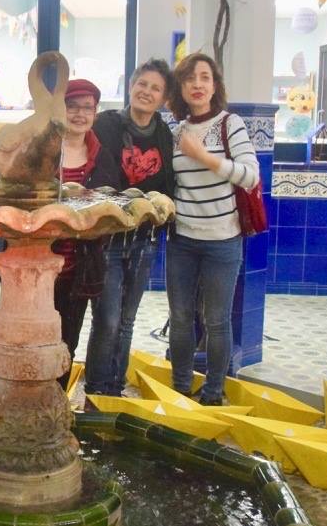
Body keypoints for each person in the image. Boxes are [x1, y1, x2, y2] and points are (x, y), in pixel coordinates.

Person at [165, 52, 259, 405]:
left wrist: (203, 157)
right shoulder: (177, 132)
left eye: (205, 77)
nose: (197, 84)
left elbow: (250, 176)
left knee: (217, 320)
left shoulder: (229, 124)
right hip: (182, 241)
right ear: (180, 87)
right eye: (189, 78)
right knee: (180, 317)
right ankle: (179, 388)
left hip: (223, 240)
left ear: (215, 85)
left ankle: (213, 393)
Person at [83, 60, 177, 396]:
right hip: (107, 239)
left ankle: (116, 387)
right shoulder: (106, 124)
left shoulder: (164, 135)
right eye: (142, 84)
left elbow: (168, 185)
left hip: (144, 239)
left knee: (126, 320)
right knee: (107, 319)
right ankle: (97, 389)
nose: (147, 92)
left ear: (164, 98)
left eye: (156, 88)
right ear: (132, 86)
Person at [50, 79, 122, 382]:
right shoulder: (44, 150)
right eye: (72, 106)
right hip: (42, 265)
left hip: (79, 267)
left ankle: (57, 399)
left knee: (68, 340)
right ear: (60, 109)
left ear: (95, 112)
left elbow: (111, 203)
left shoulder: (101, 155)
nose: (80, 114)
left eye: (87, 108)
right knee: (34, 338)